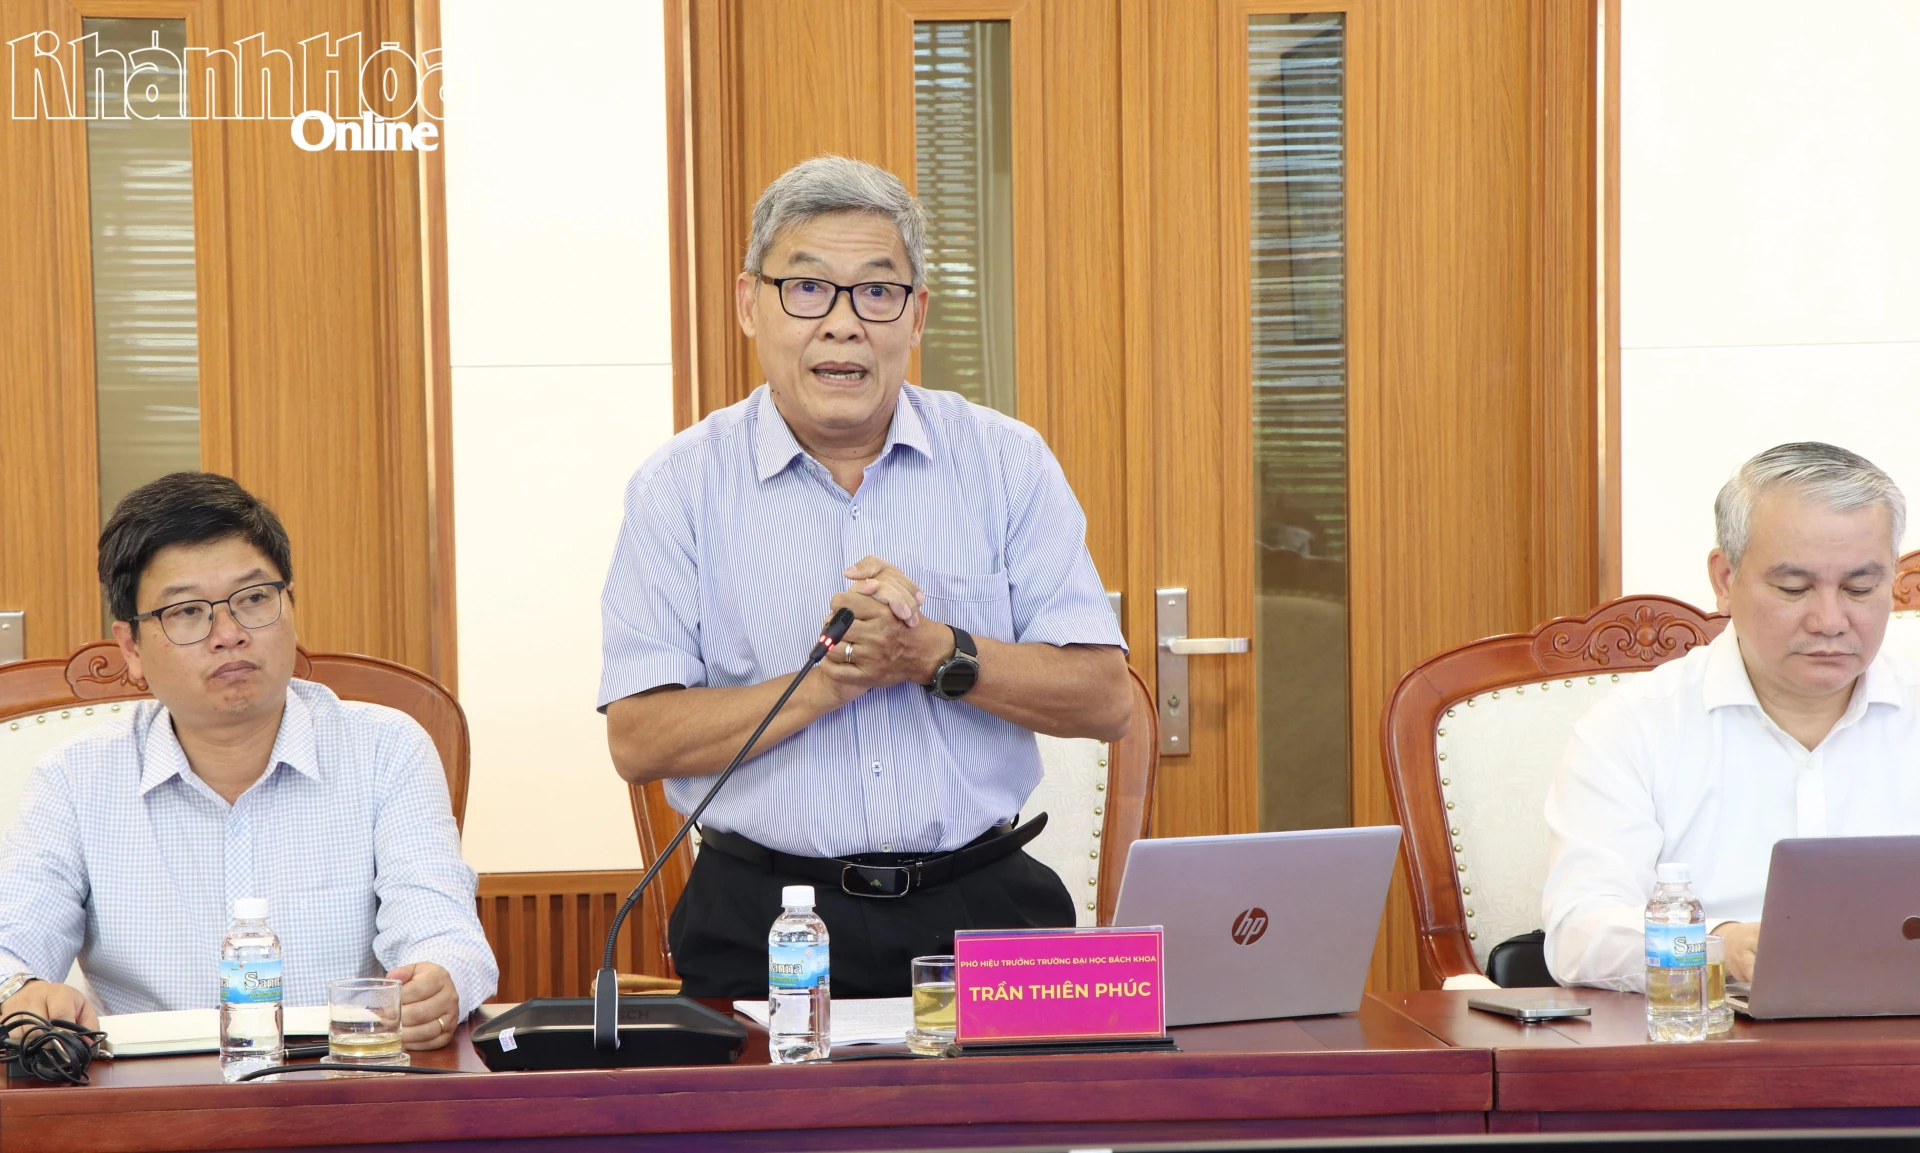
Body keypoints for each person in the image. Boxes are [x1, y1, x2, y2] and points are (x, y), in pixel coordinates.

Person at [600, 155, 1132, 998]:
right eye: (808, 289)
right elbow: (639, 739)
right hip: (763, 917)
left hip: (984, 905)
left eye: (877, 292)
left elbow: (1105, 700)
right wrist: (830, 680)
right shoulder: (679, 487)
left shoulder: (1007, 463)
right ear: (749, 303)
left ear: (916, 315)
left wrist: (932, 652)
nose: (843, 325)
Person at [0, 473, 496, 1047]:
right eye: (187, 611)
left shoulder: (387, 749)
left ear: (291, 606)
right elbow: (11, 945)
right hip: (152, 1089)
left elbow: (442, 929)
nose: (229, 633)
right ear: (132, 647)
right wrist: (21, 991)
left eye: (254, 598)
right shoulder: (74, 778)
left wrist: (439, 980)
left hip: (343, 1076)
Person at [1543, 442, 1919, 990]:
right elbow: (1579, 931)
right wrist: (1718, 947)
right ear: (1724, 579)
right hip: (1708, 1023)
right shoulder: (1635, 728)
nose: (1830, 620)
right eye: (1794, 588)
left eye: (1859, 588)